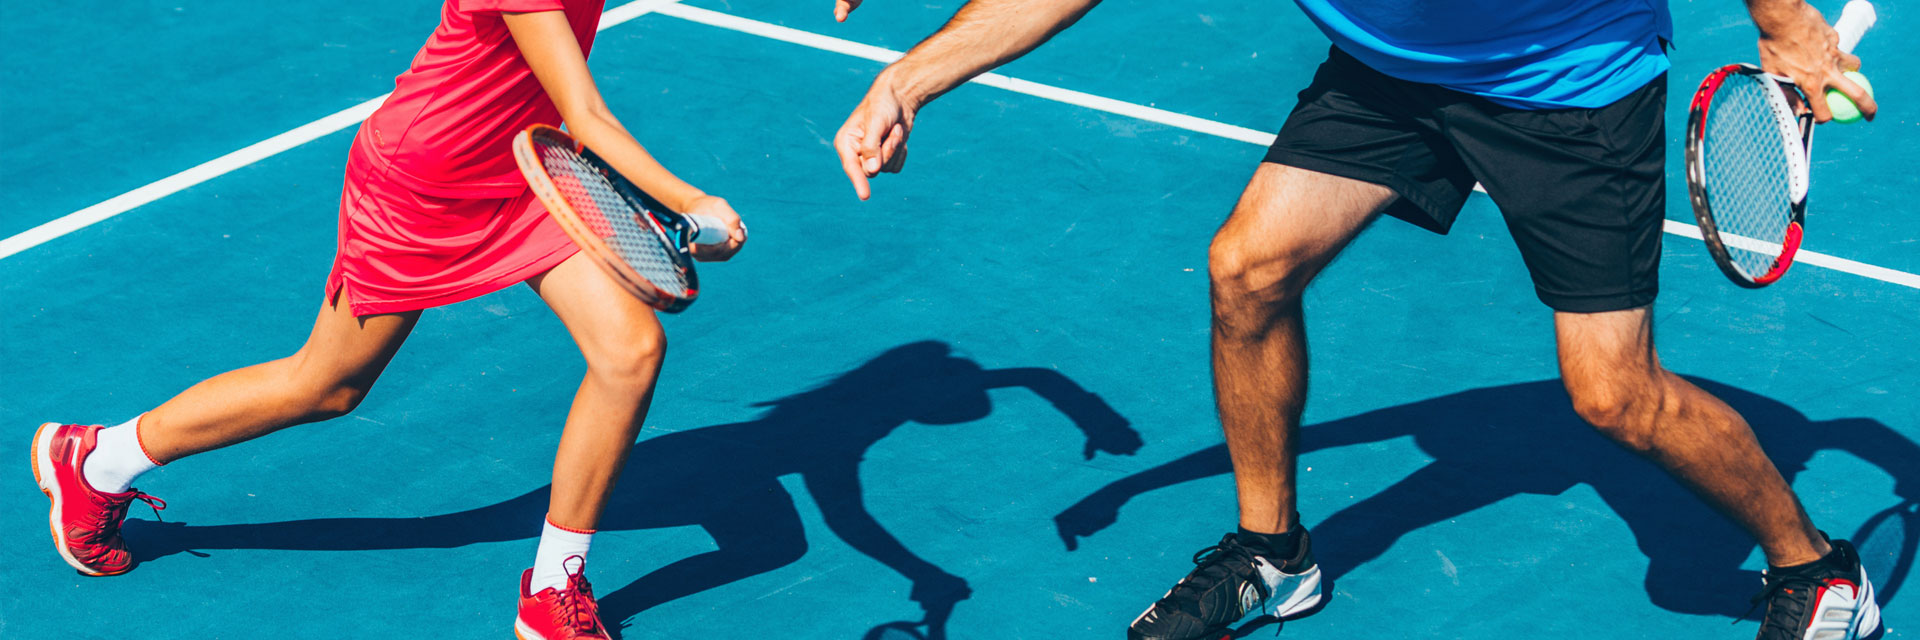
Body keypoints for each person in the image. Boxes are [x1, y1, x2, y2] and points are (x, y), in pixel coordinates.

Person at [830, 0, 1882, 638]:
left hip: (1568, 89)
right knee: (1246, 271)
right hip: (1388, 79)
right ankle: (1271, 554)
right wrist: (914, 77)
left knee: (1612, 392)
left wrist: (1782, 23)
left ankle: (1816, 568)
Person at [31, 1, 746, 638]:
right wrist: (692, 202)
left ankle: (555, 586)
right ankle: (96, 460)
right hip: (419, 186)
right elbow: (588, 115)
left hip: (523, 174)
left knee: (630, 350)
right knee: (329, 386)